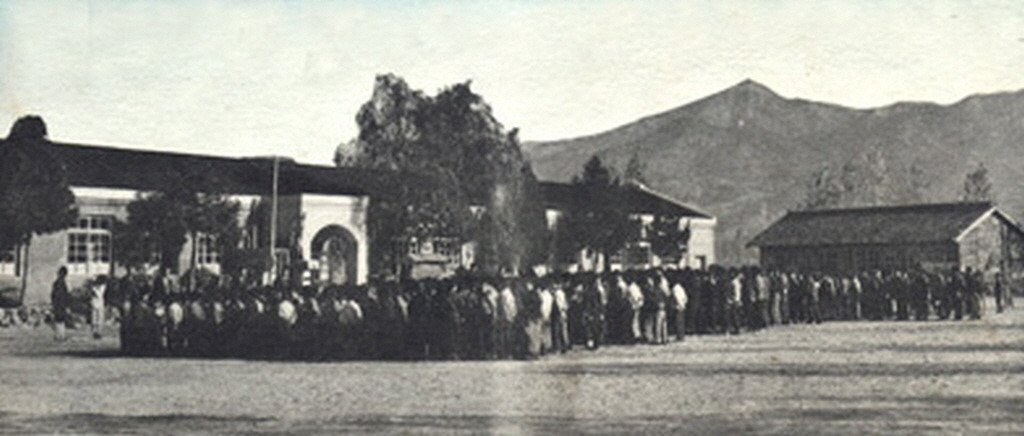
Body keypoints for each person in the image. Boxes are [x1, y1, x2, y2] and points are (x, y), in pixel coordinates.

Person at [50, 266, 70, 341]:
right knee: (60, 319)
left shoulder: (57, 283)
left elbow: (53, 294)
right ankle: (60, 335)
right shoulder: (61, 283)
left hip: (58, 303)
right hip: (60, 303)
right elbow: (63, 295)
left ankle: (59, 335)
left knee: (59, 319)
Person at [89, 275, 108, 339]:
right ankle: (95, 332)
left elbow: (99, 295)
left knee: (100, 318)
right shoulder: (95, 287)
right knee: (94, 318)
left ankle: (99, 332)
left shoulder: (102, 287)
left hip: (100, 303)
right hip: (95, 303)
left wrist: (94, 289)